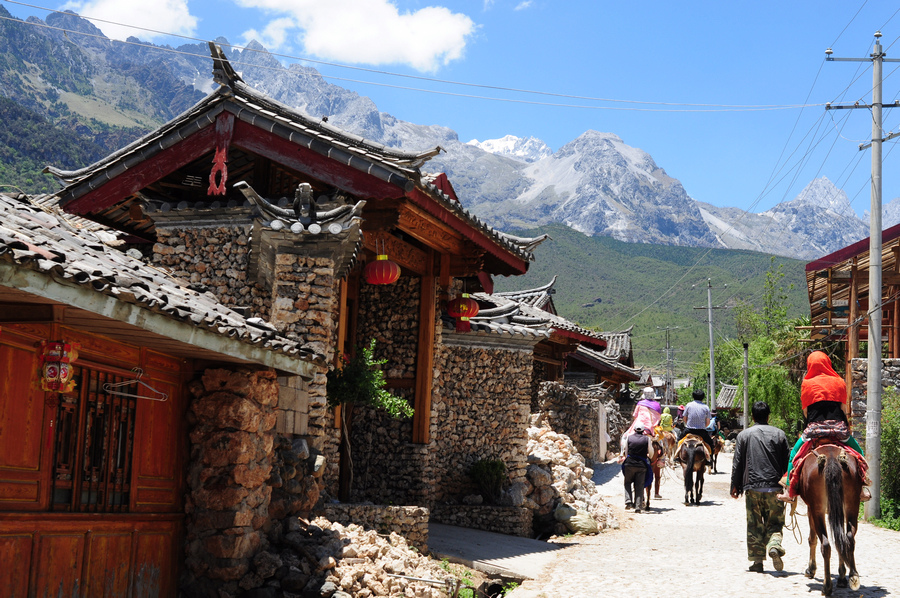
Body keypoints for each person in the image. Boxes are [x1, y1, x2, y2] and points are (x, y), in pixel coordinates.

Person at [776, 351, 869, 502]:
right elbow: (844, 409)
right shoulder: (839, 382)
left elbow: (806, 413)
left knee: (794, 455)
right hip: (838, 429)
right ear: (828, 363)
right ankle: (862, 489)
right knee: (859, 453)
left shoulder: (807, 384)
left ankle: (788, 490)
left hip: (814, 430)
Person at [731, 401, 790, 573]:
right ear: (768, 416)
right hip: (775, 488)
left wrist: (735, 485)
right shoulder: (780, 434)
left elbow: (737, 462)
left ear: (753, 417)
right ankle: (774, 545)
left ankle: (757, 562)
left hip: (752, 487)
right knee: (775, 523)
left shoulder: (744, 435)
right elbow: (787, 464)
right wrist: (789, 487)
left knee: (754, 524)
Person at [620, 424, 651, 513]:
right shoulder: (647, 439)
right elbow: (651, 451)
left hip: (629, 464)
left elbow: (626, 451)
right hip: (641, 465)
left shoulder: (629, 438)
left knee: (627, 482)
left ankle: (628, 501)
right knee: (639, 486)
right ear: (643, 430)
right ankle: (638, 506)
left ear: (634, 430)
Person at [679, 390, 715, 458]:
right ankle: (710, 460)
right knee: (711, 443)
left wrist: (689, 424)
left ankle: (677, 457)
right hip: (701, 432)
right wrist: (703, 426)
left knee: (678, 439)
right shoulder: (706, 407)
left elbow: (684, 418)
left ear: (693, 396)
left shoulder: (688, 405)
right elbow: (708, 422)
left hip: (689, 430)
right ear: (703, 397)